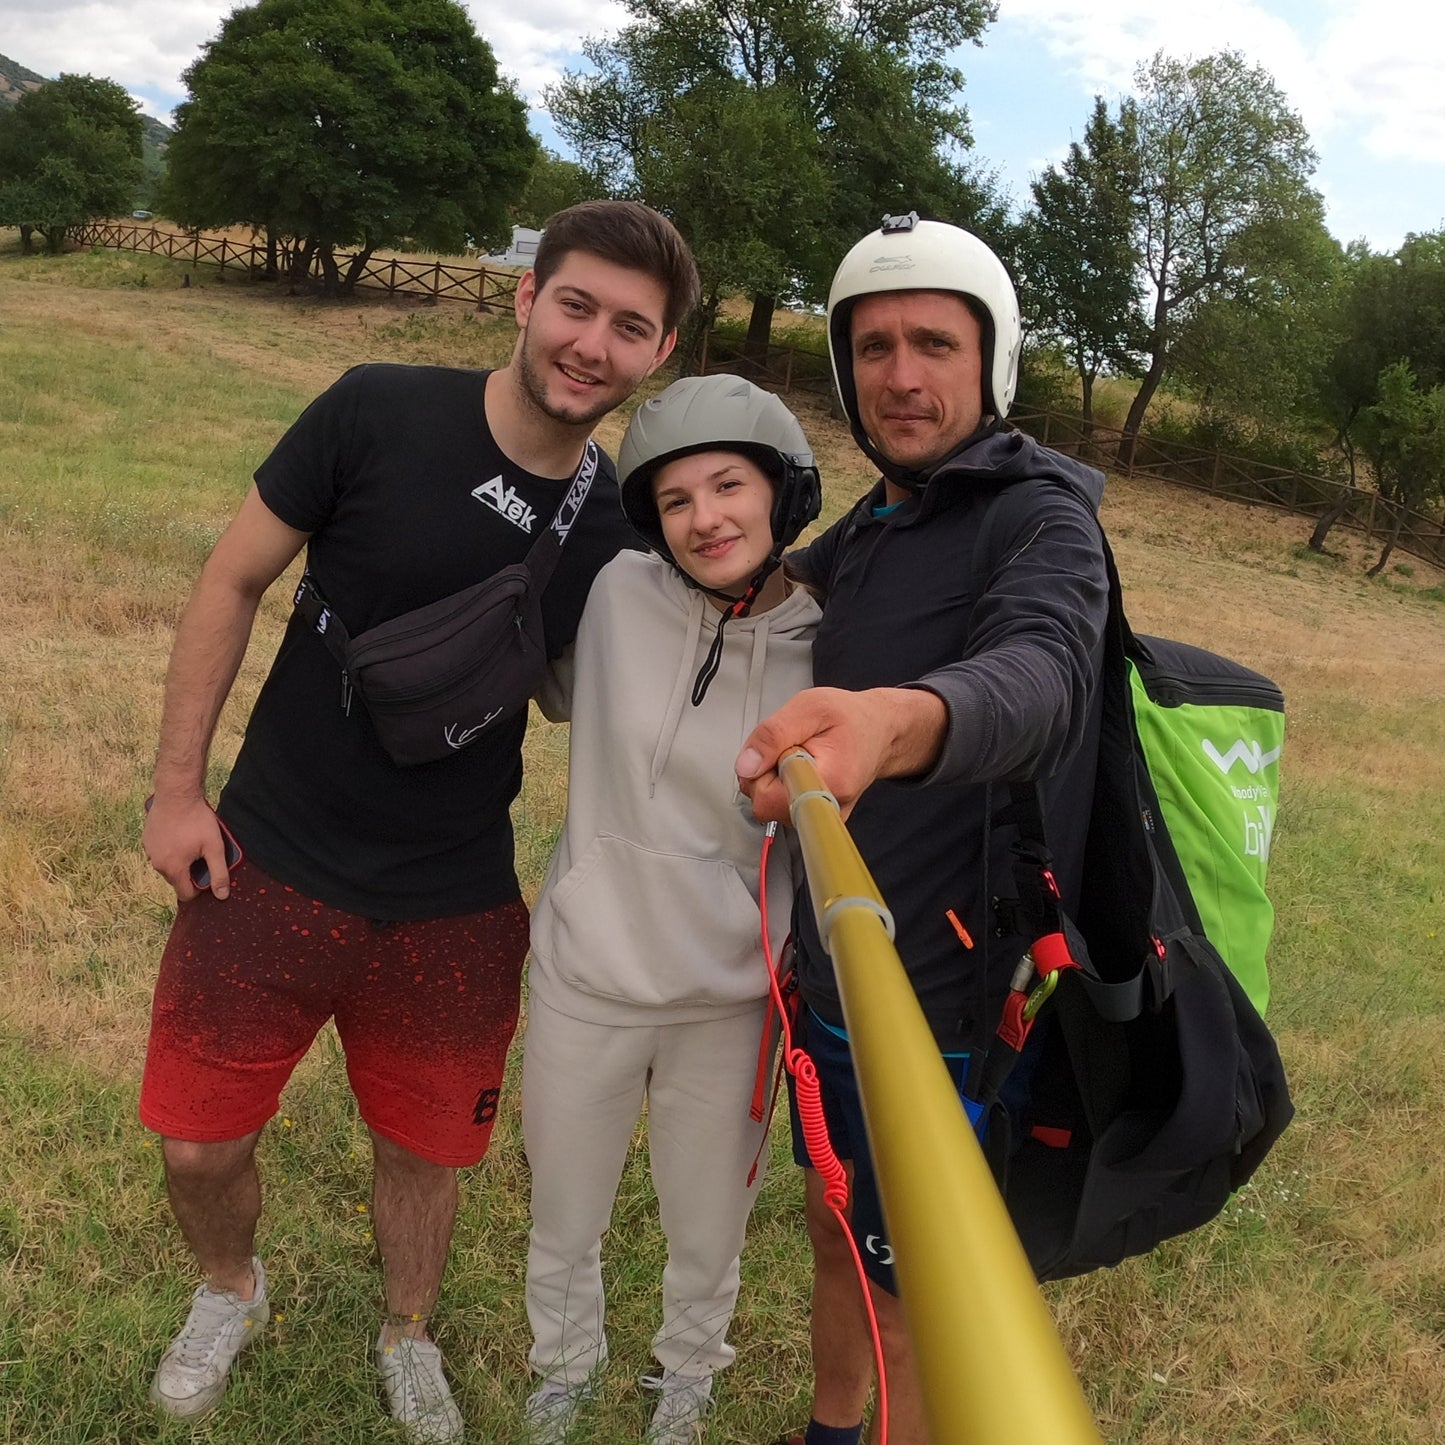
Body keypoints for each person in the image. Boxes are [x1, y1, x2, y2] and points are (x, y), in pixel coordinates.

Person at [136, 200, 699, 1444]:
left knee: (425, 1151)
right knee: (194, 1144)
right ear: (522, 298)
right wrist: (177, 792)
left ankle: (408, 1329)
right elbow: (231, 579)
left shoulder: (617, 537)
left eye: (629, 327)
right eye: (576, 305)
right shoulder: (373, 407)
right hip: (265, 856)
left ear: (657, 357)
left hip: (452, 895)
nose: (592, 343)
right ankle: (229, 1286)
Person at [733, 213, 1111, 1445]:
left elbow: (1044, 671)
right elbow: (772, 583)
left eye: (934, 343)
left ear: (987, 360)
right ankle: (831, 1431)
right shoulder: (884, 520)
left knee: (912, 1304)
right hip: (834, 967)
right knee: (832, 1218)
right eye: (876, 346)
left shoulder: (1037, 516)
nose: (903, 375)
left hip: (942, 1005)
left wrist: (892, 722)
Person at [519, 375, 823, 1445]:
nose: (706, 518)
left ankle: (684, 1378)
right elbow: (534, 665)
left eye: (730, 485)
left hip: (732, 998)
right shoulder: (611, 591)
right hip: (585, 971)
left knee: (708, 1226)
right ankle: (560, 1367)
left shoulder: (831, 645)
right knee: (563, 1209)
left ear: (783, 493)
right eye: (676, 499)